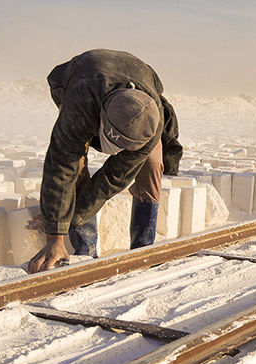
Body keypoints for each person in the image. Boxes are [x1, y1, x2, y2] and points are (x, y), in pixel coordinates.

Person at [28, 49, 182, 273]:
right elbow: (60, 167)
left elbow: (111, 179)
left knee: (151, 164)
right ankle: (85, 252)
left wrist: (74, 214)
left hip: (138, 80)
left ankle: (142, 249)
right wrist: (55, 234)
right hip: (83, 79)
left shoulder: (151, 123)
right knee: (75, 163)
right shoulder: (81, 106)